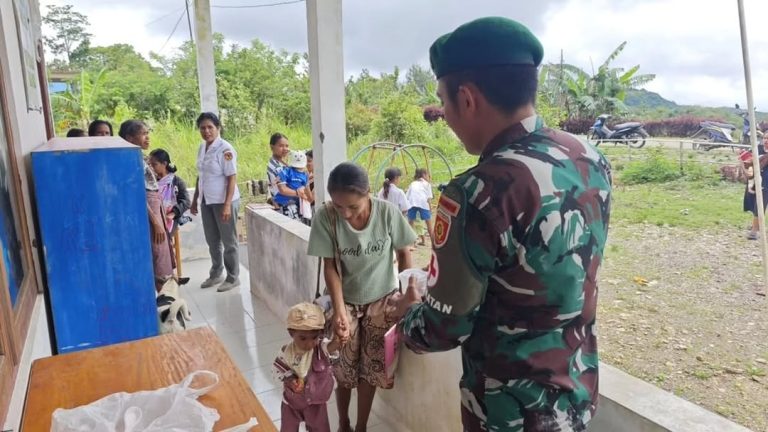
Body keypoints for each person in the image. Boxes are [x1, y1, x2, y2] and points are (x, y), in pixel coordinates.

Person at [391, 17, 612, 432]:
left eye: (443, 102)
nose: (445, 117)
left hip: (508, 413)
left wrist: (406, 315)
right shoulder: (589, 157)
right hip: (576, 397)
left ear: (467, 98)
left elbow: (445, 327)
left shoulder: (478, 191)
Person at [307, 162, 416, 432]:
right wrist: (339, 311)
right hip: (345, 300)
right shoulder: (326, 216)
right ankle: (343, 422)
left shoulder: (387, 213)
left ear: (368, 193)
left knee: (371, 370)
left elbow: (404, 253)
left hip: (382, 301)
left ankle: (361, 426)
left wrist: (404, 296)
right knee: (342, 368)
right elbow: (330, 267)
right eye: (338, 206)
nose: (345, 213)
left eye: (353, 207)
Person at [119, 120, 176, 291]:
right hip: (150, 211)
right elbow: (137, 194)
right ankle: (163, 294)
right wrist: (155, 222)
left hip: (155, 206)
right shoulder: (129, 159)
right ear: (130, 138)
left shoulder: (139, 157)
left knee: (162, 252)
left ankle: (165, 293)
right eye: (143, 134)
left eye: (147, 133)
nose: (147, 137)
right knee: (157, 252)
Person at [190, 112, 241, 293]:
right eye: (202, 128)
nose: (206, 131)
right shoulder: (202, 147)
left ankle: (233, 277)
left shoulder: (225, 149)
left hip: (224, 201)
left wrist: (227, 205)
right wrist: (195, 199)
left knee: (229, 241)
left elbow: (232, 177)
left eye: (210, 127)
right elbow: (201, 176)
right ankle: (216, 273)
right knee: (212, 240)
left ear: (218, 128)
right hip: (207, 200)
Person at [273, 302, 341, 432]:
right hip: (291, 403)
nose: (309, 344)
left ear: (320, 333)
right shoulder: (287, 352)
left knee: (320, 429)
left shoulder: (321, 348)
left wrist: (339, 337)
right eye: (303, 338)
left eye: (314, 337)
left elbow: (334, 345)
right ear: (291, 333)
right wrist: (290, 380)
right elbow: (278, 370)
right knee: (288, 429)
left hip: (317, 403)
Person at [148, 149, 191, 236]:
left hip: (169, 218)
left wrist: (173, 213)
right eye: (150, 165)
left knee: (160, 236)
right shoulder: (150, 181)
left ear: (164, 164)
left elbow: (186, 202)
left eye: (154, 164)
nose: (151, 168)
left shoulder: (176, 182)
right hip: (152, 218)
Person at [275, 150, 313, 224]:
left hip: (297, 205)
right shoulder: (285, 172)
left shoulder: (305, 174)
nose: (299, 169)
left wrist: (308, 199)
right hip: (283, 203)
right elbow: (282, 189)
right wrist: (298, 193)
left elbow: (307, 191)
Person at [743, 133, 768, 240]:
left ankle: (754, 230)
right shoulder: (758, 148)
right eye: (765, 138)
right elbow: (747, 160)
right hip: (755, 180)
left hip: (766, 182)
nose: (766, 140)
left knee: (760, 204)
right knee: (753, 202)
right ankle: (756, 225)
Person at [405, 168, 434, 245]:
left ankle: (411, 244)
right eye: (428, 175)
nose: (429, 177)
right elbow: (428, 199)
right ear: (424, 175)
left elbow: (407, 196)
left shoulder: (413, 183)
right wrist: (430, 209)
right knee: (429, 225)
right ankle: (433, 243)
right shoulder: (427, 184)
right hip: (423, 203)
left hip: (412, 203)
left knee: (411, 224)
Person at [267, 132, 290, 210]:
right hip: (284, 206)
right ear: (272, 147)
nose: (285, 149)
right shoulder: (276, 167)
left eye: (287, 146)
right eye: (281, 146)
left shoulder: (281, 162)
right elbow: (284, 189)